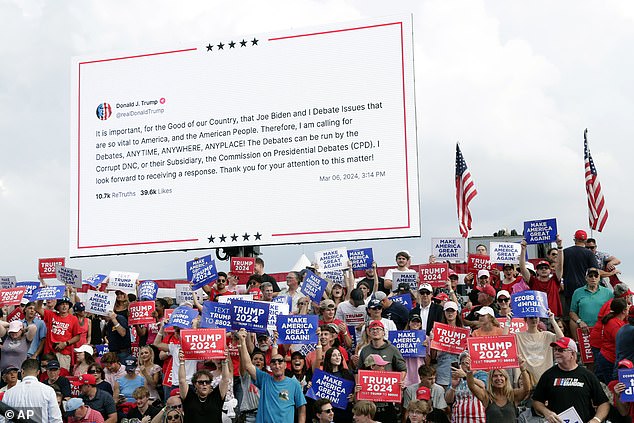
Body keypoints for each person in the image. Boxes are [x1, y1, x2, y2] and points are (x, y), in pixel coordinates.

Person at [532, 337, 609, 423]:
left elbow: (603, 403)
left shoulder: (587, 375)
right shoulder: (548, 375)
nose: (556, 353)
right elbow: (536, 401)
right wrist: (546, 412)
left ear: (572, 353)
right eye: (555, 350)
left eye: (561, 350)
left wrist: (596, 420)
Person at [237, 328, 306, 423]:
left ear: (285, 365)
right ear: (270, 366)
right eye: (273, 363)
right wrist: (242, 341)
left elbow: (302, 408)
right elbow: (248, 365)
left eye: (280, 362)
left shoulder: (294, 384)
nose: (277, 365)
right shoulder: (264, 379)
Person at [464, 356, 530, 421]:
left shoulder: (512, 395)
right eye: (495, 376)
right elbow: (472, 386)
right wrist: (469, 371)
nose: (499, 378)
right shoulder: (487, 396)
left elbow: (526, 389)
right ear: (491, 380)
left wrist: (523, 369)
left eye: (501, 375)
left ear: (506, 379)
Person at [1, 358, 62, 423]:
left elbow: (3, 420)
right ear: (38, 372)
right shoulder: (48, 391)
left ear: (22, 372)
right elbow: (56, 420)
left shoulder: (9, 393)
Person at [514, 310, 564, 381]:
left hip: (546, 378)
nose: (534, 319)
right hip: (526, 379)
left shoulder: (547, 335)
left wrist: (552, 320)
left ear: (539, 318)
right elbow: (503, 342)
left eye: (536, 317)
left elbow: (562, 340)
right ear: (525, 320)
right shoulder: (518, 335)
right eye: (531, 317)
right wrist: (508, 322)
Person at [520, 237, 564, 317]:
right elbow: (523, 268)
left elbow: (560, 265)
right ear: (537, 271)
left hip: (554, 316)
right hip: (538, 317)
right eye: (541, 268)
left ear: (550, 270)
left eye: (546, 268)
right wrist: (523, 249)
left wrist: (560, 247)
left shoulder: (555, 280)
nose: (543, 269)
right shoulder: (533, 281)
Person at [36, 296, 81, 371]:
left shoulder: (74, 319)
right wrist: (43, 295)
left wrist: (65, 343)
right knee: (46, 376)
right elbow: (38, 308)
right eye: (62, 304)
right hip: (49, 353)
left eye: (66, 304)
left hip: (64, 353)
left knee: (62, 375)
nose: (64, 306)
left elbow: (77, 337)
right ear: (58, 306)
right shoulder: (51, 315)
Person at [562, 230, 600, 316]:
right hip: (585, 288)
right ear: (585, 241)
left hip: (569, 287)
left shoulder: (565, 252)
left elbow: (559, 269)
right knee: (584, 314)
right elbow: (595, 270)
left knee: (571, 314)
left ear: (574, 239)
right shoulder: (589, 253)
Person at [569, 267, 613, 340]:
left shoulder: (608, 292)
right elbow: (572, 312)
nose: (593, 278)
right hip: (584, 329)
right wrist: (580, 322)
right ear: (586, 278)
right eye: (590, 276)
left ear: (599, 278)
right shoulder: (577, 292)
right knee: (572, 321)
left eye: (596, 276)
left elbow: (613, 311)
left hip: (603, 328)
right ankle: (577, 344)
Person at [594, 298, 628, 384]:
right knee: (613, 386)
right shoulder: (614, 324)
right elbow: (622, 343)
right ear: (624, 311)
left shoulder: (617, 321)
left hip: (610, 357)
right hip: (609, 360)